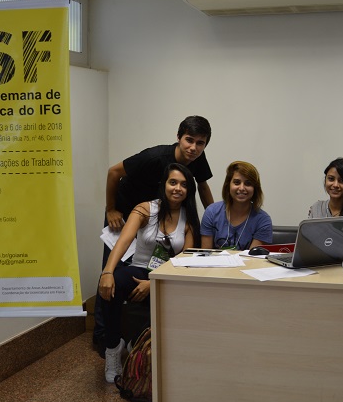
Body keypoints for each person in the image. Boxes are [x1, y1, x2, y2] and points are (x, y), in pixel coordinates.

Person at [94, 115, 213, 348]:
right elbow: (113, 172)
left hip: (165, 217)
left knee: (156, 268)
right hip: (128, 213)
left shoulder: (196, 156)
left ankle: (144, 340)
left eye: (200, 143)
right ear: (178, 137)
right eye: (189, 140)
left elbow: (203, 185)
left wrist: (214, 219)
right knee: (110, 275)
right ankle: (104, 339)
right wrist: (111, 209)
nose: (193, 147)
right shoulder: (154, 157)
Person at [97, 163, 200, 383]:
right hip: (139, 269)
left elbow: (185, 261)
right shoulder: (145, 209)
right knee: (111, 284)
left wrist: (155, 283)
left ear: (189, 190)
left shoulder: (188, 218)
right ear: (164, 185)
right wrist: (107, 272)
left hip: (169, 276)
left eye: (183, 184)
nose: (177, 188)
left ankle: (143, 343)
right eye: (173, 182)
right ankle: (113, 348)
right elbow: (123, 242)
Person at [201, 161, 273, 250]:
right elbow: (205, 253)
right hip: (214, 263)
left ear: (255, 188)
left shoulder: (263, 220)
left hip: (248, 263)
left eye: (248, 183)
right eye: (237, 182)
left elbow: (253, 259)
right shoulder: (211, 212)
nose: (242, 188)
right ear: (228, 186)